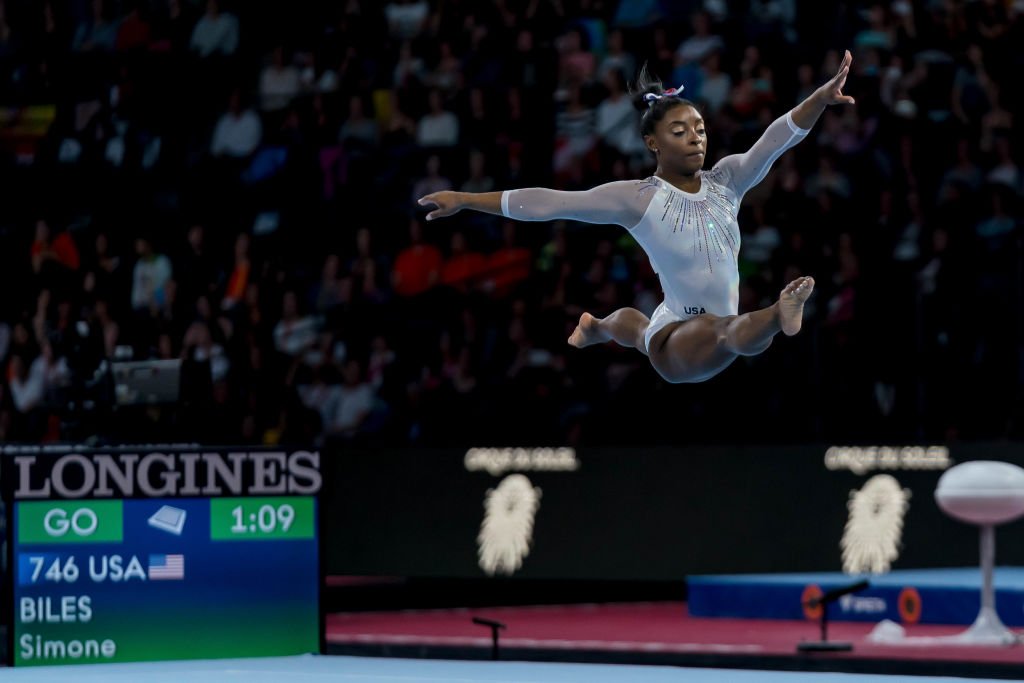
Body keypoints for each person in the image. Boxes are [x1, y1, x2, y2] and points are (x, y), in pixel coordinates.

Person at [419, 51, 856, 384]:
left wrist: (819, 98)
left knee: (643, 328)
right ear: (652, 142)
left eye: (700, 129)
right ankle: (780, 313)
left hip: (682, 324)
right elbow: (552, 202)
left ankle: (595, 327)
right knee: (728, 334)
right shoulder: (639, 198)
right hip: (678, 348)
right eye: (679, 132)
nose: (695, 139)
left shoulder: (727, 182)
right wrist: (466, 198)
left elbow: (775, 140)